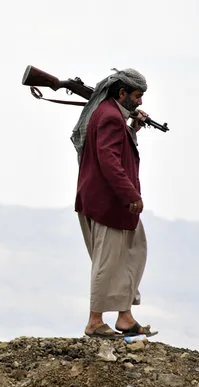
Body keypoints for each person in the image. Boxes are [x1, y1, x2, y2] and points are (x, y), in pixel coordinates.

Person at [71, 68, 158, 338]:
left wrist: (133, 128)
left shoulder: (111, 114)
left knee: (131, 254)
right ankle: (94, 321)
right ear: (122, 93)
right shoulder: (109, 116)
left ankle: (125, 316)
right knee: (108, 263)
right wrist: (130, 194)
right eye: (137, 95)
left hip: (111, 203)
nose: (140, 102)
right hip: (107, 204)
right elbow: (109, 160)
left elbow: (115, 149)